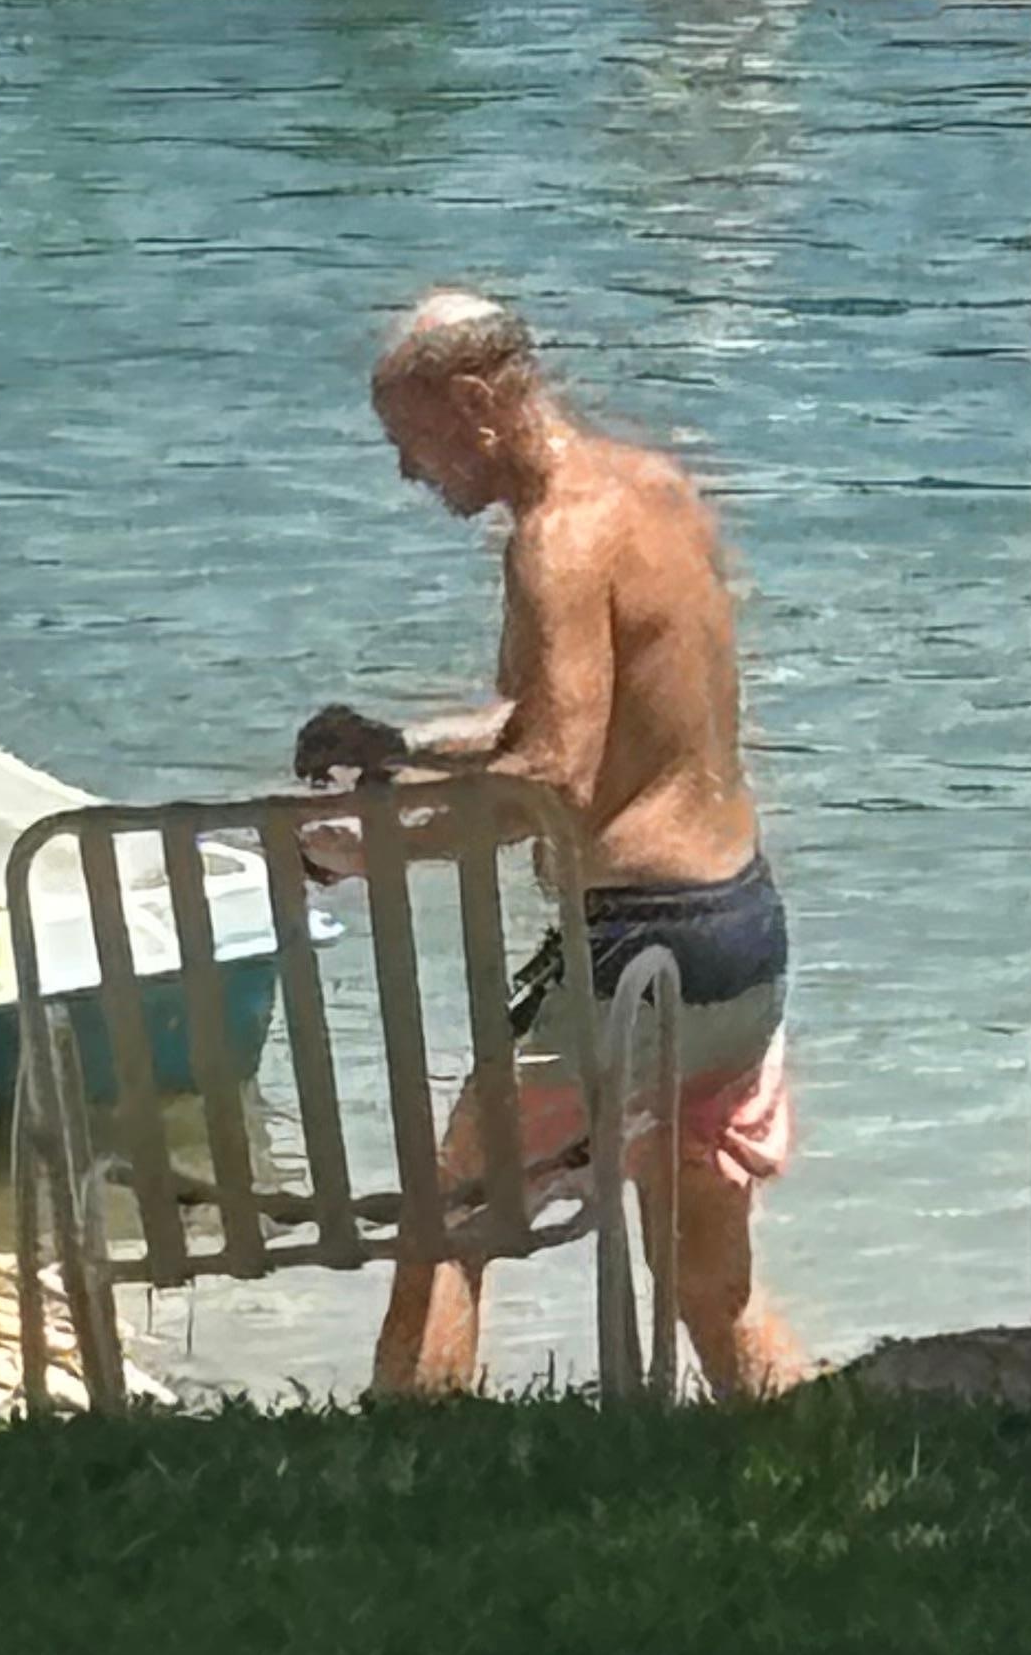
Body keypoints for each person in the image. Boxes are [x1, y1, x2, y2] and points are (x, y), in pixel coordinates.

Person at [292, 289, 804, 1401]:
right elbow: (588, 724)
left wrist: (370, 846)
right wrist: (401, 748)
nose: (407, 474)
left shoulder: (554, 539)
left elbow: (551, 776)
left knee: (450, 1217)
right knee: (707, 1279)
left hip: (636, 948)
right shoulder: (656, 489)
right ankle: (804, 1460)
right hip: (741, 933)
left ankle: (402, 1480)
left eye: (411, 438)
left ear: (474, 403)